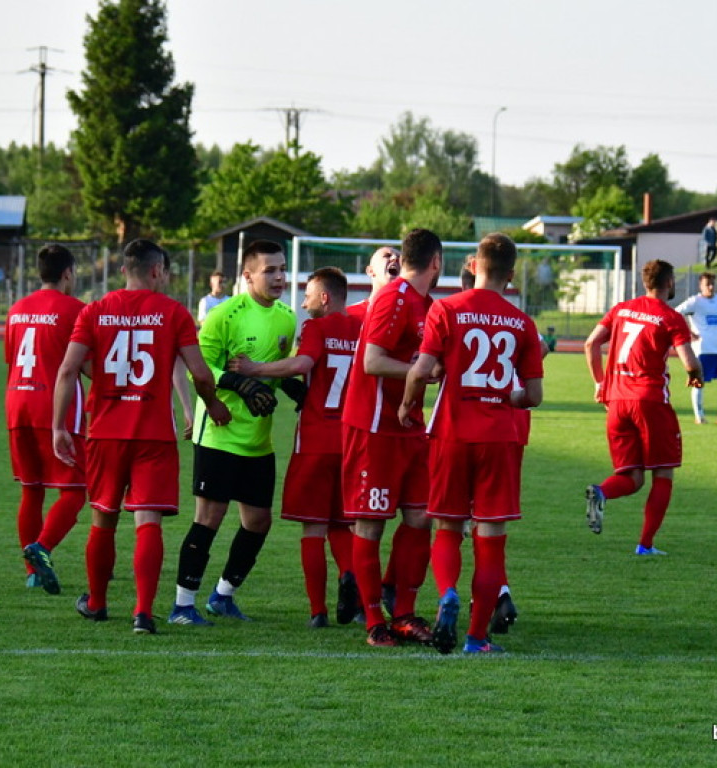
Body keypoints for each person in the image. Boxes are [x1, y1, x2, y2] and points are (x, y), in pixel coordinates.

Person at [52, 239, 231, 634]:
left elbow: (68, 370)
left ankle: (97, 603)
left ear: (123, 271)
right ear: (156, 271)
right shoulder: (173, 313)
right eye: (166, 271)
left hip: (105, 432)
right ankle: (143, 613)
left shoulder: (95, 311)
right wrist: (212, 405)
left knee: (104, 518)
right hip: (154, 433)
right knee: (147, 519)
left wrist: (59, 427)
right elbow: (200, 373)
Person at [401, 233, 544, 654]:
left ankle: (447, 594)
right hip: (498, 436)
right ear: (511, 275)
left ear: (474, 267)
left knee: (446, 526)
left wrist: (409, 405)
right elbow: (533, 395)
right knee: (490, 536)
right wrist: (507, 397)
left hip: (451, 432)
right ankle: (476, 638)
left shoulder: (446, 308)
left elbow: (419, 370)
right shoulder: (523, 323)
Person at [169, 239, 297, 625]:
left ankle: (222, 595)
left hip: (259, 440)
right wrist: (234, 388)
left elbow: (274, 369)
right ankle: (182, 605)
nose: (278, 276)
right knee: (210, 516)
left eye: (281, 269)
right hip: (220, 434)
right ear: (247, 275)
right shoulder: (225, 314)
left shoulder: (288, 317)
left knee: (258, 521)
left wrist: (295, 388)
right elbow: (199, 365)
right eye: (269, 270)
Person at [229, 267, 363, 628]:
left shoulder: (316, 328)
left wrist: (255, 369)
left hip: (316, 442)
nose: (302, 304)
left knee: (314, 529)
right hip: (353, 442)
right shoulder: (361, 329)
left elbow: (303, 364)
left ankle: (318, 611)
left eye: (307, 296)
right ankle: (351, 577)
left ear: (324, 297)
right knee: (342, 525)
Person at [341, 228, 441, 647]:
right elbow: (372, 361)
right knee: (372, 523)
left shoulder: (429, 306)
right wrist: (419, 372)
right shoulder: (393, 297)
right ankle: (373, 621)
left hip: (408, 427)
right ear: (436, 262)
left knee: (420, 517)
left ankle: (403, 612)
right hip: (373, 427)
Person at [584, 260, 703, 554]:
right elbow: (690, 362)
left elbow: (590, 344)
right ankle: (645, 545)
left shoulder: (622, 309)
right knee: (663, 473)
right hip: (649, 401)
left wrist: (600, 383)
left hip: (617, 401)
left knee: (632, 477)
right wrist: (696, 379)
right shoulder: (671, 317)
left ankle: (601, 492)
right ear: (670, 282)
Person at [5, 245, 87, 593]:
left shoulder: (17, 309)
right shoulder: (77, 310)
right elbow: (89, 366)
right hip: (55, 407)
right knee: (74, 490)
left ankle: (32, 572)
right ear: (68, 273)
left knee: (31, 489)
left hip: (17, 403)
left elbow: (11, 357)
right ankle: (42, 549)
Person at [675, 272, 717, 424]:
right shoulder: (695, 301)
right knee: (699, 382)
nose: (711, 287)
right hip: (702, 349)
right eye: (708, 284)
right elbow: (676, 313)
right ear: (701, 286)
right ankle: (699, 416)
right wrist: (688, 331)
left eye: (713, 283)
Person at [346, 246, 400, 321]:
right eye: (387, 256)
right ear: (370, 271)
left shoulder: (416, 315)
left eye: (400, 259)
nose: (395, 258)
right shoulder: (349, 315)